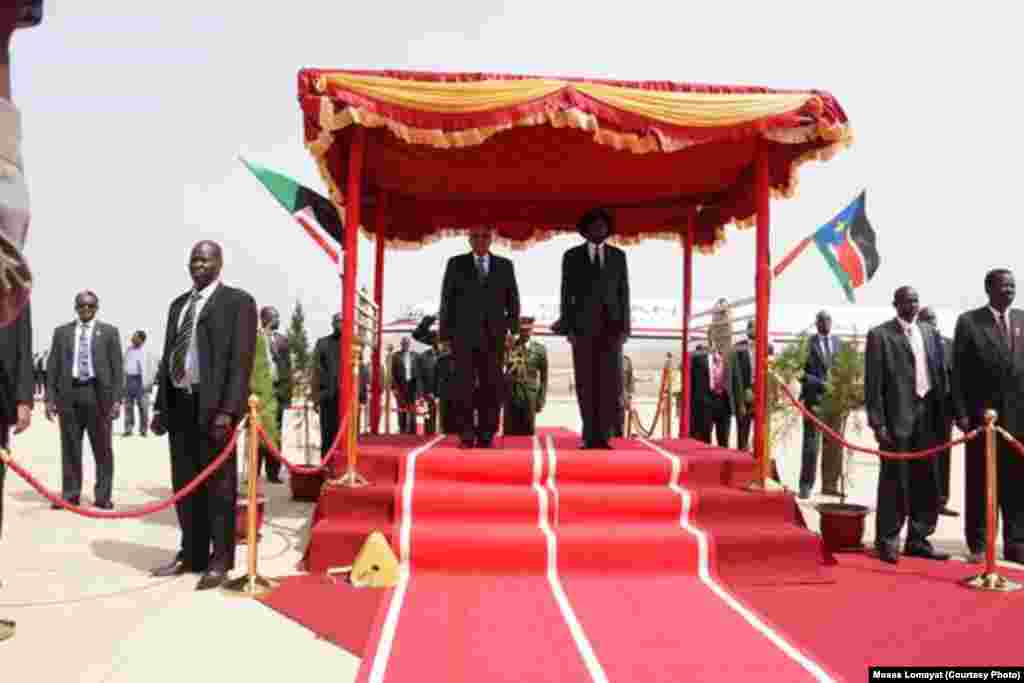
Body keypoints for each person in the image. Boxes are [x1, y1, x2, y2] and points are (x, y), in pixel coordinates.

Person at [150, 241, 257, 590]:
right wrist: (161, 407)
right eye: (194, 259)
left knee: (219, 488)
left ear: (219, 264)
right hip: (180, 406)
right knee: (185, 484)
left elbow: (240, 362)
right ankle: (191, 553)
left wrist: (228, 410)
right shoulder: (178, 306)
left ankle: (220, 559)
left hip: (214, 411)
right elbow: (169, 358)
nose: (199, 264)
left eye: (205, 259)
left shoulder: (237, 303)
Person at [865, 286, 949, 564]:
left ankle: (919, 538)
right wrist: (878, 424)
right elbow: (873, 384)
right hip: (897, 420)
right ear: (895, 304)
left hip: (928, 418)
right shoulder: (880, 335)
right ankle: (887, 540)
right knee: (894, 482)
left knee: (927, 480)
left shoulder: (928, 332)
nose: (913, 305)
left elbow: (939, 373)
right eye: (907, 300)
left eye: (916, 300)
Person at [952, 268, 1024, 565]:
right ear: (988, 289)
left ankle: (1017, 543)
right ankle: (980, 542)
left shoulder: (1021, 319)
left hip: (1018, 421)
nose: (1009, 290)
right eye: (1003, 286)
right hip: (984, 420)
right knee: (982, 483)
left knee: (1017, 484)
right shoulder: (970, 322)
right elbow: (957, 373)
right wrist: (961, 415)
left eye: (1013, 285)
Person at [555, 209, 630, 449]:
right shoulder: (571, 256)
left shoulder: (618, 256)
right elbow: (565, 294)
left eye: (602, 226)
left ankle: (604, 436)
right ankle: (589, 435)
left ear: (608, 229)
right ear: (585, 230)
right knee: (586, 383)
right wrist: (568, 327)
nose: (599, 229)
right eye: (594, 226)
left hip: (611, 331)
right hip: (582, 330)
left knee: (609, 385)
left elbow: (624, 294)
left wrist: (625, 328)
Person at [439, 227, 520, 448]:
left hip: (494, 337)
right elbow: (447, 299)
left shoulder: (505, 266)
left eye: (485, 236)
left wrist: (513, 330)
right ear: (469, 239)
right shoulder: (455, 264)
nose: (480, 240)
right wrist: (444, 334)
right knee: (463, 386)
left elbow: (513, 300)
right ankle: (466, 434)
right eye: (475, 236)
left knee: (491, 386)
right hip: (462, 336)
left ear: (491, 239)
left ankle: (486, 433)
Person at [45, 291, 123, 509]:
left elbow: (117, 368)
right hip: (69, 395)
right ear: (76, 307)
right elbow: (53, 367)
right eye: (81, 306)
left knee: (103, 448)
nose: (85, 309)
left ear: (96, 307)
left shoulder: (109, 332)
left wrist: (117, 399)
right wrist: (50, 398)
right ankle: (70, 495)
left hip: (98, 397)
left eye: (90, 306)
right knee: (70, 447)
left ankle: (103, 496)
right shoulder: (62, 333)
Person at [917, 306, 958, 517]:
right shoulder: (914, 342)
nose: (930, 323)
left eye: (932, 319)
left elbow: (958, 378)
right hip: (921, 412)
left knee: (943, 458)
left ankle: (941, 500)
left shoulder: (949, 344)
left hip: (944, 412)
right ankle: (918, 501)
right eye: (925, 319)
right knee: (921, 457)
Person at [798, 311, 841, 499]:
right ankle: (806, 485)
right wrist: (820, 384)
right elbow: (800, 373)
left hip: (835, 403)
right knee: (811, 446)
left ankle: (830, 485)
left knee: (833, 445)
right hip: (814, 401)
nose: (825, 323)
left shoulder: (839, 343)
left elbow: (844, 369)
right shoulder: (808, 344)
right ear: (816, 324)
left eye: (828, 320)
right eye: (821, 320)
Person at [728, 320, 776, 452]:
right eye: (750, 328)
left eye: (755, 328)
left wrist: (772, 397)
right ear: (747, 330)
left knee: (762, 434)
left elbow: (771, 374)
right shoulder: (738, 348)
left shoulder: (768, 347)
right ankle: (742, 462)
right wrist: (741, 400)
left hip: (762, 396)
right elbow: (734, 377)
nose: (753, 330)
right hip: (745, 396)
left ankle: (760, 463)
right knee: (743, 433)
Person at [258, 306, 291, 483]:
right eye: (274, 317)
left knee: (275, 435)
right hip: (259, 394)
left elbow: (287, 370)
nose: (278, 320)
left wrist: (287, 396)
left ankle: (273, 472)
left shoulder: (283, 341)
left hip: (277, 394)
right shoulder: (254, 338)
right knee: (256, 434)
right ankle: (254, 473)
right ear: (265, 318)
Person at [503, 316, 548, 436]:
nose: (525, 332)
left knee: (527, 436)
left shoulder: (539, 350)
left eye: (528, 330)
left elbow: (544, 378)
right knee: (509, 436)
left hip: (530, 397)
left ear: (532, 330)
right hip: (511, 396)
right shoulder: (509, 347)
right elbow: (500, 368)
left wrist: (541, 399)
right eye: (522, 330)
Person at [690, 339, 731, 446]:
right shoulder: (698, 356)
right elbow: (690, 379)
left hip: (723, 402)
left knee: (724, 441)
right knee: (704, 439)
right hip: (705, 401)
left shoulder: (729, 355)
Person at [311, 313, 342, 457]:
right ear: (332, 324)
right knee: (328, 435)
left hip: (346, 398)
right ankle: (326, 466)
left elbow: (359, 370)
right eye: (337, 321)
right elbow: (315, 371)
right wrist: (316, 397)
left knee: (345, 435)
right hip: (327, 397)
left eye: (342, 321)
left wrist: (361, 395)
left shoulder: (354, 343)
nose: (339, 324)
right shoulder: (322, 343)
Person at [122, 331, 157, 437]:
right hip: (128, 380)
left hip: (141, 381)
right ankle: (128, 429)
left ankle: (143, 430)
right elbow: (124, 364)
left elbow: (153, 368)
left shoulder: (148, 352)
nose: (132, 339)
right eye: (132, 337)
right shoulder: (128, 350)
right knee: (128, 406)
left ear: (141, 340)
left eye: (135, 337)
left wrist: (149, 383)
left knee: (143, 407)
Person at [390, 337, 419, 435]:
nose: (405, 345)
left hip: (413, 386)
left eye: (407, 343)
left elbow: (419, 373)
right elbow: (392, 373)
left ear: (409, 344)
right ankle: (402, 430)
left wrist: (420, 389)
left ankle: (413, 431)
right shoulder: (396, 356)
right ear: (401, 344)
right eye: (404, 343)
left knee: (412, 409)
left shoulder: (415, 356)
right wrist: (393, 388)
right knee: (401, 409)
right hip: (400, 386)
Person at [615, 353, 635, 438]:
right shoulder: (604, 359)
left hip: (622, 394)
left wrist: (630, 394)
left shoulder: (626, 360)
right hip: (607, 395)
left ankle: (619, 436)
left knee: (620, 418)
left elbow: (630, 378)